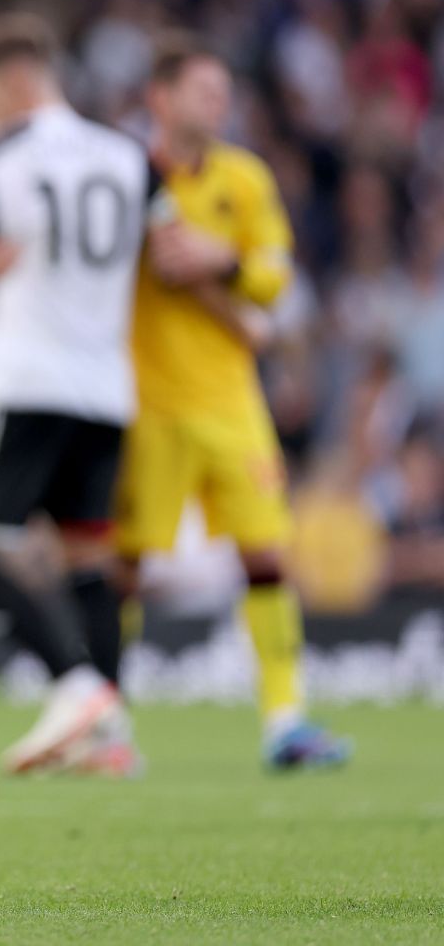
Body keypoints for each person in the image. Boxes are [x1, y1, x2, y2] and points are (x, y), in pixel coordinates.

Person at [115, 37, 351, 771]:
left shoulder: (243, 179)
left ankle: (286, 719)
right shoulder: (127, 176)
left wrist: (223, 259)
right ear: (161, 97)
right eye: (203, 91)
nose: (219, 104)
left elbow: (274, 276)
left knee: (268, 555)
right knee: (126, 567)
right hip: (148, 402)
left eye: (224, 92)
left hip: (230, 404)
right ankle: (105, 723)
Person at [0, 15, 150, 777]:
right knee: (89, 557)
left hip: (24, 381)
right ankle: (110, 738)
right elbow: (171, 250)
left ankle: (79, 687)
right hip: (107, 389)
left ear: (17, 79)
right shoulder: (128, 157)